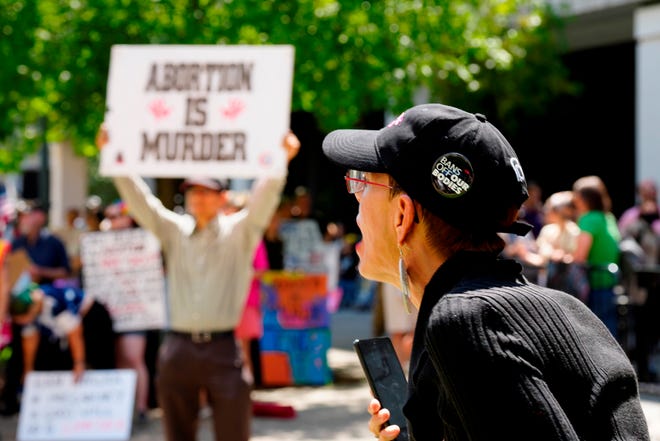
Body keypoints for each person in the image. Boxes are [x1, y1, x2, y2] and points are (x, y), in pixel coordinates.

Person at [321, 103, 649, 440]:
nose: (356, 208)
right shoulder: (570, 311)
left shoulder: (465, 321)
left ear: (402, 215)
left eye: (362, 185)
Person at [96, 125, 300, 441]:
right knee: (177, 433)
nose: (197, 198)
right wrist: (113, 155)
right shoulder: (173, 230)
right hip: (177, 348)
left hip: (223, 349)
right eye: (192, 192)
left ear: (222, 198)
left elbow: (264, 197)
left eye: (205, 191)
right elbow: (141, 202)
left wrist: (281, 159)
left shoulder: (240, 232)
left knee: (233, 432)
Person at [571, 175, 621, 338]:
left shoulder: (589, 219)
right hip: (609, 283)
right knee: (609, 332)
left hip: (593, 285)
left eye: (576, 197)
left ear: (583, 199)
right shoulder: (608, 217)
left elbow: (580, 256)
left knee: (596, 335)